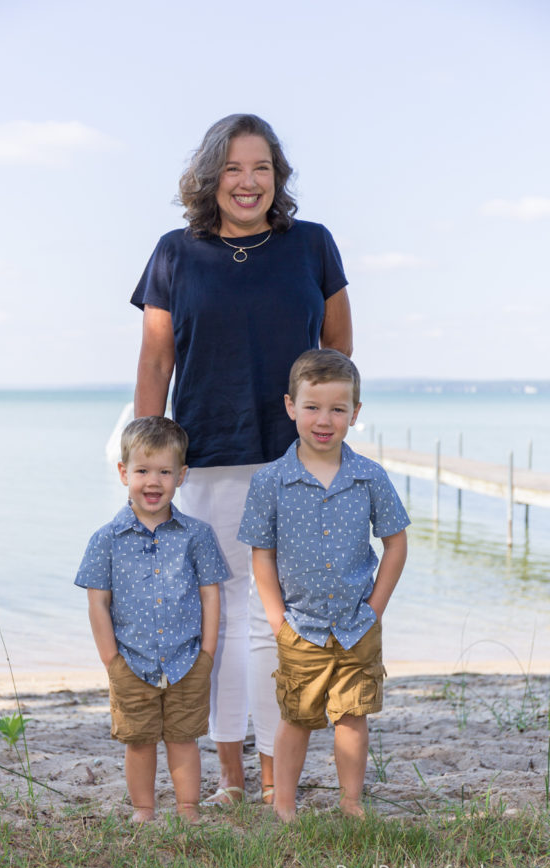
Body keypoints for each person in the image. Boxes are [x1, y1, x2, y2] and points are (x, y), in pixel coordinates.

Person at [130, 113, 352, 806]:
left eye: (261, 168)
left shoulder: (312, 246)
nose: (247, 182)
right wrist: (146, 455)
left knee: (272, 616)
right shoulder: (174, 252)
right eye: (232, 168)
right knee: (216, 618)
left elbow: (337, 353)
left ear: (277, 178)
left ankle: (269, 776)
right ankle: (228, 779)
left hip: (293, 463)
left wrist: (330, 442)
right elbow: (157, 358)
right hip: (205, 461)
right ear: (210, 177)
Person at [238, 349, 410, 821]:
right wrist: (278, 621)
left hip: (358, 623)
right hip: (300, 625)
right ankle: (286, 804)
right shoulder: (270, 480)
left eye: (338, 409)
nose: (324, 419)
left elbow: (396, 544)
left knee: (353, 716)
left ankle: (351, 802)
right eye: (313, 407)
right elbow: (262, 556)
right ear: (291, 406)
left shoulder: (370, 476)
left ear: (355, 414)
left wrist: (376, 607)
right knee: (297, 717)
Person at [75, 417, 229, 823]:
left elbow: (210, 595)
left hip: (188, 660)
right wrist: (112, 662)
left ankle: (187, 808)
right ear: (124, 472)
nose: (153, 481)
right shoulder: (105, 539)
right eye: (143, 470)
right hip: (130, 661)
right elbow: (97, 604)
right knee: (139, 742)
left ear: (182, 475)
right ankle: (144, 809)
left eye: (164, 471)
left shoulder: (197, 535)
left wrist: (207, 654)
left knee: (183, 739)